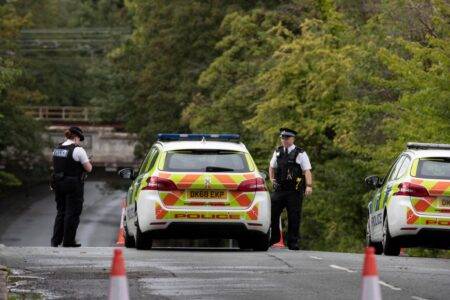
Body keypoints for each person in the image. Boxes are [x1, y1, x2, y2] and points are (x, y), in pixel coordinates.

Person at [269, 128, 313, 250]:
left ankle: (293, 241)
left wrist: (309, 186)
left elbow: (307, 170)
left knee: (294, 216)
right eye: (282, 138)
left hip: (294, 190)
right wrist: (272, 179)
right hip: (280, 189)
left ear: (293, 139)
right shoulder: (277, 152)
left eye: (287, 138)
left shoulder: (300, 153)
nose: (284, 140)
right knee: (272, 213)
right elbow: (272, 166)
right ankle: (274, 238)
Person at [51, 126, 92, 247]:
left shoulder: (57, 149)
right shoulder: (78, 150)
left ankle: (55, 241)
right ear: (76, 137)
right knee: (72, 212)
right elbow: (88, 168)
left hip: (58, 183)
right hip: (73, 184)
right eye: (79, 139)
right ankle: (68, 241)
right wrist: (87, 161)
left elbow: (57, 165)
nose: (79, 142)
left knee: (61, 212)